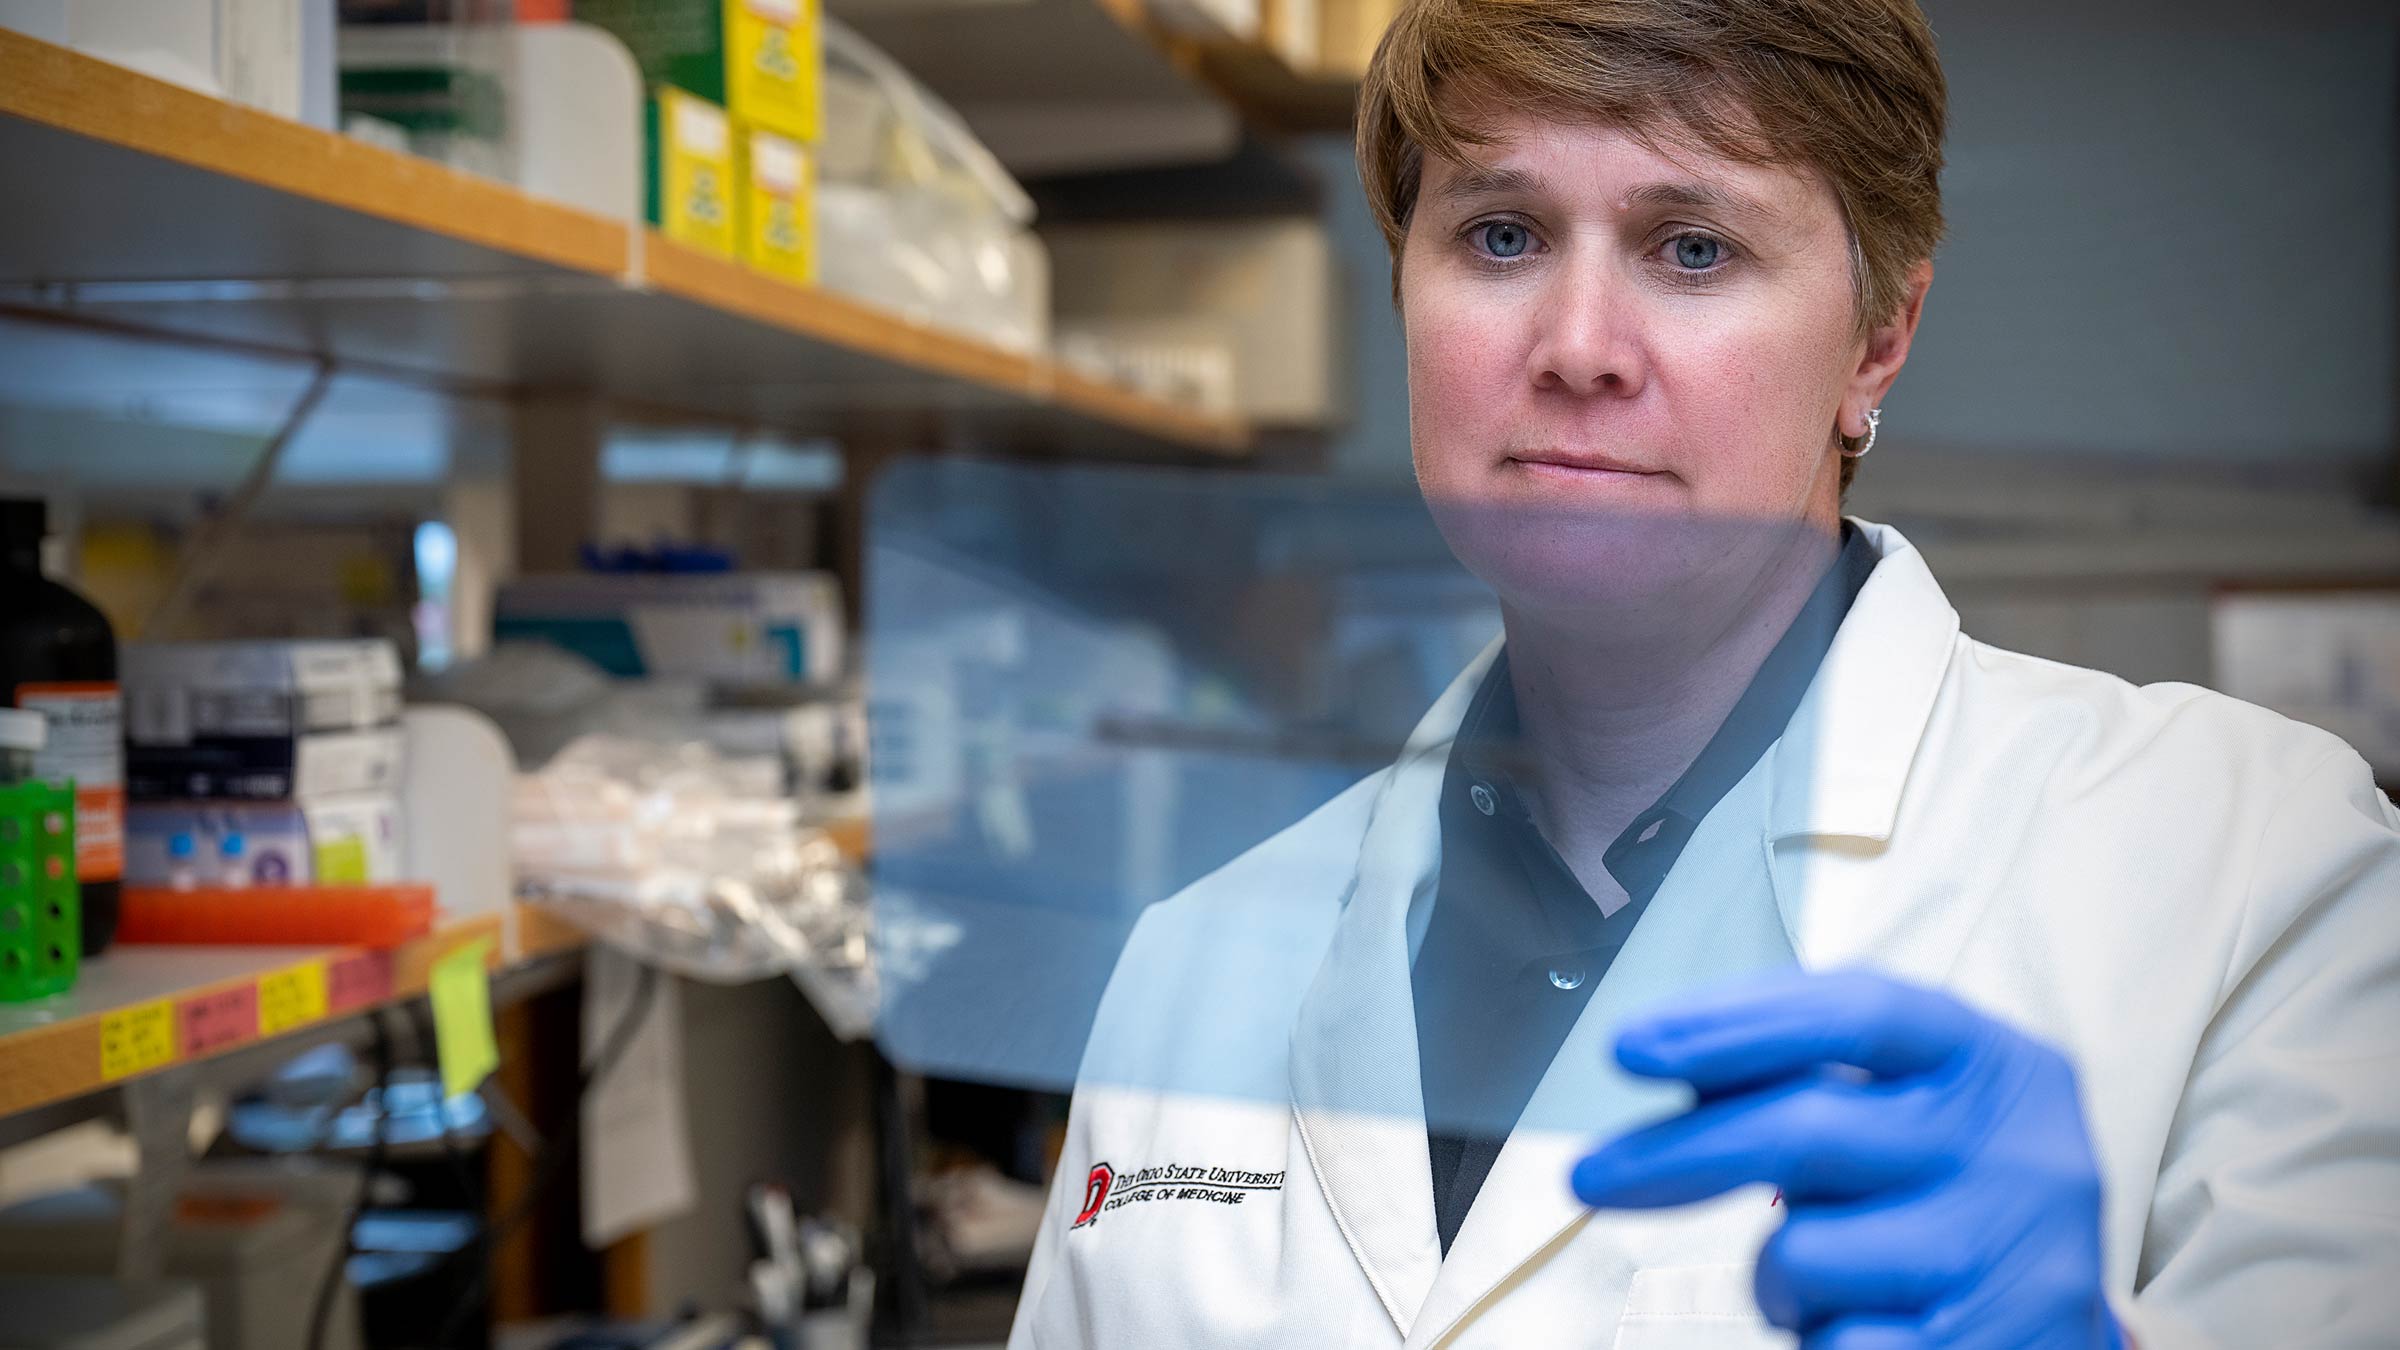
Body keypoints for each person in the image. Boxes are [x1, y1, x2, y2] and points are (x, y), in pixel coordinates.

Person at [1006, 1, 2400, 1345]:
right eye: (1501, 235)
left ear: (1878, 339)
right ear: (1405, 292)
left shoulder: (2254, 871)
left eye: (1692, 249)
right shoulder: (1192, 965)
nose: (1578, 350)